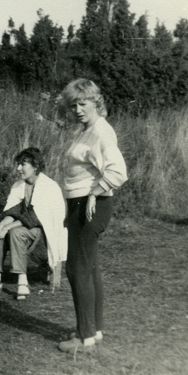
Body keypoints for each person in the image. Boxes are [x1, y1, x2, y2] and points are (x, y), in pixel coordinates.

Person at [58, 79, 128, 354]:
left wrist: (92, 194)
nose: (77, 109)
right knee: (89, 268)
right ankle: (94, 330)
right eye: (73, 104)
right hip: (79, 205)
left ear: (96, 102)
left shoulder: (100, 132)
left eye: (83, 103)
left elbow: (117, 172)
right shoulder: (85, 130)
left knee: (77, 269)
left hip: (91, 206)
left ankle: (84, 336)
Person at [0, 148, 67, 301]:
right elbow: (13, 210)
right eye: (18, 164)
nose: (18, 168)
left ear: (36, 166)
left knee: (15, 232)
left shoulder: (49, 186)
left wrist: (8, 227)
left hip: (44, 236)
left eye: (23, 164)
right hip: (27, 230)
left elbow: (35, 217)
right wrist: (2, 225)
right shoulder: (19, 185)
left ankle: (22, 281)